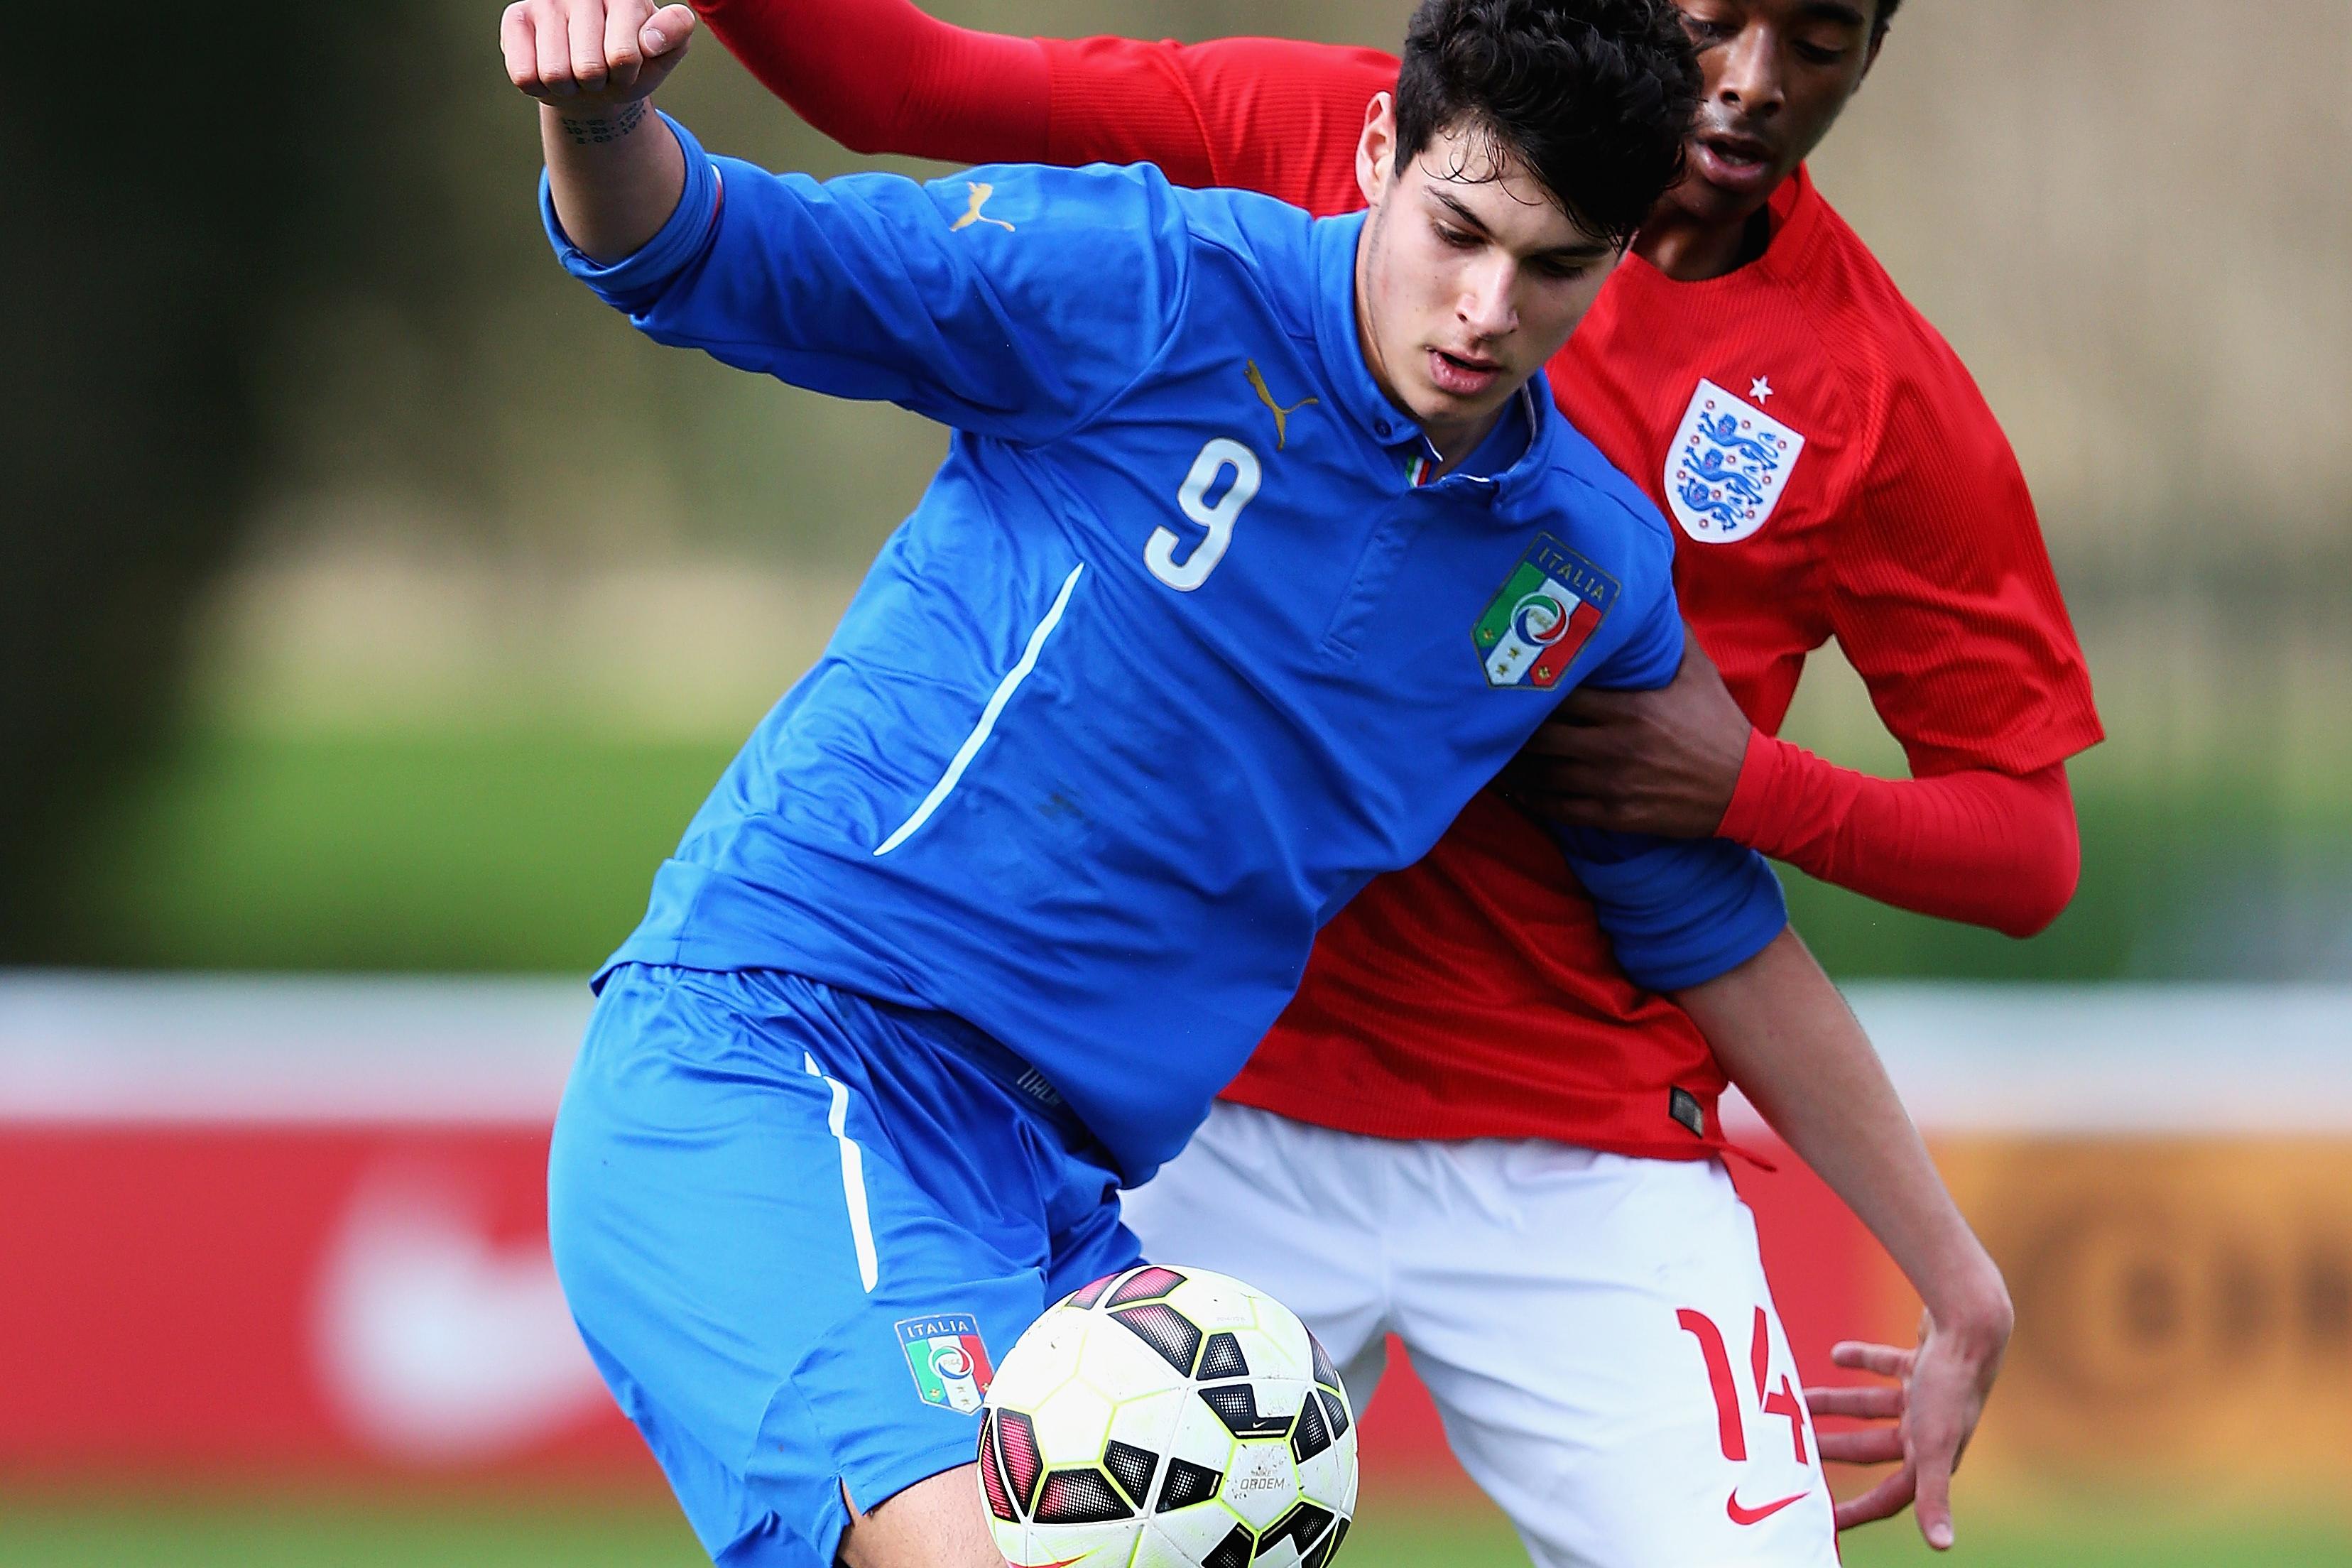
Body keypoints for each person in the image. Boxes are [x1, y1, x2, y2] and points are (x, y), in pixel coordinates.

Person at [687, 0, 2100, 1559]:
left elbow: (1993, 857)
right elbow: (907, 84)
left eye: (1820, 39)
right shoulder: (1357, 133)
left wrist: (1745, 788)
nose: (1755, 80)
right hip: (1209, 1113)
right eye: (1714, 19)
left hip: (1587, 1139)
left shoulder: (1873, 395)